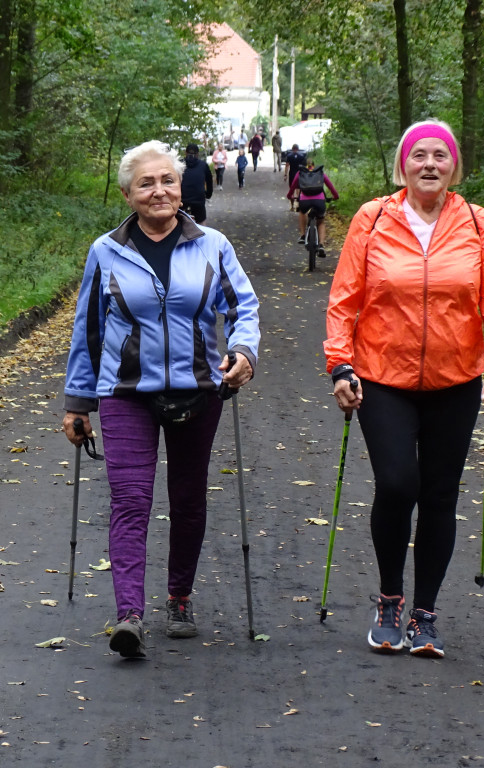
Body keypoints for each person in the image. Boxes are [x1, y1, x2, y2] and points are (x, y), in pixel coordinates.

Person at [324, 119, 484, 659]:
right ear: (402, 166)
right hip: (383, 375)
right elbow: (344, 300)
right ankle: (389, 599)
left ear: (454, 166)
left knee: (438, 495)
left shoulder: (478, 224)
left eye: (440, 155)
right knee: (398, 483)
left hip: (455, 380)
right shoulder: (373, 217)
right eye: (419, 155)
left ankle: (425, 615)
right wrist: (341, 365)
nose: (429, 163)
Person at [62, 140, 260, 658]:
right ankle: (129, 614)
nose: (159, 191)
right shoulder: (106, 251)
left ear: (182, 187)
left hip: (199, 387)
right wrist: (78, 402)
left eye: (167, 180)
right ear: (128, 194)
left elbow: (245, 308)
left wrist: (243, 352)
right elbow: (88, 329)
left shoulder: (213, 245)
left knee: (189, 498)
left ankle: (179, 597)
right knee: (130, 501)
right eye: (146, 183)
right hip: (126, 392)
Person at [289, 159, 339, 258]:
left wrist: (289, 196)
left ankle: (303, 235)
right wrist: (335, 196)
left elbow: (292, 187)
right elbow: (331, 187)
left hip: (304, 201)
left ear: (305, 166)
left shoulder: (300, 173)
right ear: (313, 165)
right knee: (321, 221)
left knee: (302, 212)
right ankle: (321, 244)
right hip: (319, 201)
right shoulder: (320, 174)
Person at [179, 143, 213, 223]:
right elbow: (209, 181)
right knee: (201, 226)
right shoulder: (203, 165)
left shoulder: (179, 165)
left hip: (182, 201)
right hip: (198, 201)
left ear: (185, 153)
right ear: (197, 154)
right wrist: (208, 195)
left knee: (179, 225)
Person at [283, 143, 308, 209]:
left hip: (292, 174)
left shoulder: (289, 156)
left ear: (292, 149)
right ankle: (299, 204)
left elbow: (287, 165)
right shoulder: (302, 156)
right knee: (299, 189)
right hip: (299, 174)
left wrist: (285, 175)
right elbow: (305, 167)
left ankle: (292, 206)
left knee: (292, 189)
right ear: (298, 149)